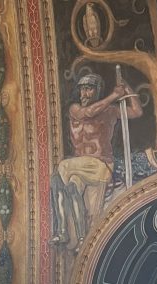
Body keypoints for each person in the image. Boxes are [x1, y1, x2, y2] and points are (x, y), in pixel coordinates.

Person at [51, 71, 141, 247]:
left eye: (89, 89)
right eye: (83, 89)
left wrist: (126, 88)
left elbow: (137, 111)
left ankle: (65, 232)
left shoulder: (110, 111)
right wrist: (114, 95)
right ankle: (73, 235)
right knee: (70, 184)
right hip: (79, 167)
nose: (84, 93)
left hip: (100, 165)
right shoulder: (75, 109)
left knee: (62, 167)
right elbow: (89, 113)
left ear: (97, 91)